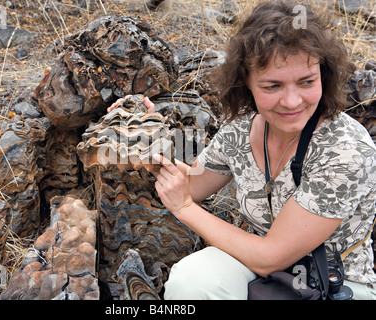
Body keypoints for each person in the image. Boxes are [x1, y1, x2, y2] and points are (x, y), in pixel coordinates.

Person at [108, 1, 376, 300]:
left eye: (306, 82)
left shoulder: (345, 150)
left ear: (324, 78)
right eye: (272, 86)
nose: (291, 101)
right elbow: (193, 184)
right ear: (245, 82)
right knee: (192, 281)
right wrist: (145, 131)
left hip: (333, 281)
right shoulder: (242, 127)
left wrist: (184, 209)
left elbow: (270, 256)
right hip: (257, 265)